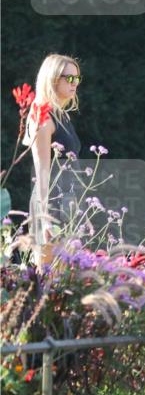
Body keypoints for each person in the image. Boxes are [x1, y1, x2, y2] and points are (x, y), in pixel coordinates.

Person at [22, 54, 83, 258]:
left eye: (77, 78)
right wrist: (44, 218)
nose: (75, 83)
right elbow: (42, 170)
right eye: (70, 78)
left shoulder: (61, 115)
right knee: (49, 274)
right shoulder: (42, 117)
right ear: (53, 78)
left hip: (67, 204)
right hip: (50, 206)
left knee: (68, 275)